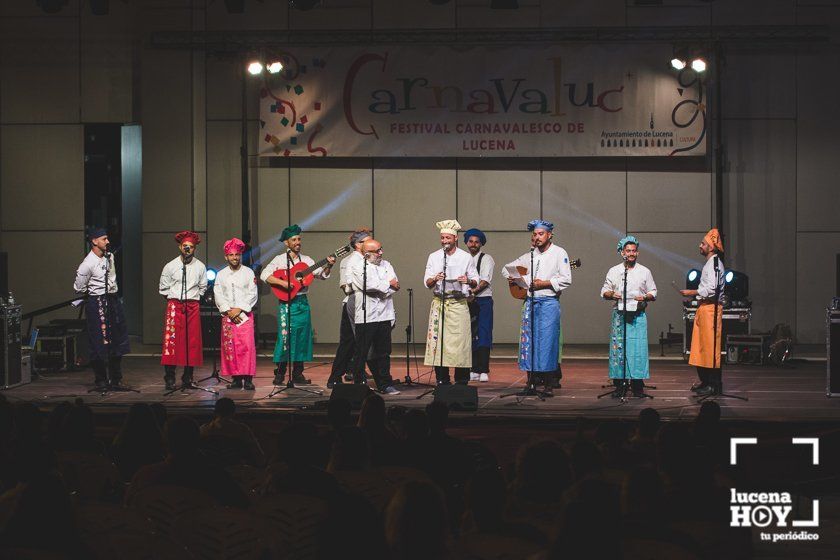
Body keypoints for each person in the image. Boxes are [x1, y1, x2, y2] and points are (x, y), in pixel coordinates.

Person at [502, 220, 572, 396]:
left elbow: (566, 279)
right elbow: (506, 269)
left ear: (549, 235)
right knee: (529, 342)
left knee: (547, 343)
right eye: (535, 234)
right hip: (530, 303)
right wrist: (516, 278)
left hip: (548, 302)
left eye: (541, 234)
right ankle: (531, 382)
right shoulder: (530, 255)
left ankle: (548, 384)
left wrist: (545, 283)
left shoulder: (559, 253)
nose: (537, 237)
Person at [260, 224, 334, 385]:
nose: (298, 242)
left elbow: (321, 275)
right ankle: (280, 372)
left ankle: (298, 373)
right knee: (285, 337)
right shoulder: (279, 260)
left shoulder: (307, 260)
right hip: (286, 303)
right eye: (294, 239)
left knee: (302, 337)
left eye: (299, 239)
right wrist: (283, 283)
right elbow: (264, 274)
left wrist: (329, 265)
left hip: (302, 302)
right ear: (287, 243)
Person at [73, 227, 131, 390]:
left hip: (112, 299)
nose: (108, 241)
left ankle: (116, 378)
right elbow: (78, 287)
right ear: (94, 241)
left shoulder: (109, 257)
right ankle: (101, 379)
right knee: (99, 340)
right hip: (97, 301)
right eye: (104, 239)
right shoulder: (87, 263)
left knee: (117, 338)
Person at [423, 220, 479, 385]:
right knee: (439, 342)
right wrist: (435, 278)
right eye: (442, 238)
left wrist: (467, 280)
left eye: (448, 238)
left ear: (455, 239)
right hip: (440, 302)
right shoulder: (434, 256)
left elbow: (476, 279)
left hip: (458, 303)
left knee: (460, 342)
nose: (444, 241)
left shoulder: (465, 256)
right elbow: (427, 281)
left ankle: (461, 381)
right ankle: (442, 379)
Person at [600, 235, 657, 397]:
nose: (631, 253)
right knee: (619, 350)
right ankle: (620, 385)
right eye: (628, 251)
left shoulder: (645, 271)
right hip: (619, 315)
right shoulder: (615, 270)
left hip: (637, 316)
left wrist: (645, 297)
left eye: (634, 251)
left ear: (637, 253)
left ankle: (638, 385)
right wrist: (612, 294)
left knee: (637, 349)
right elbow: (604, 291)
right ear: (622, 252)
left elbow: (653, 291)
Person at [349, 238, 400, 394]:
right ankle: (359, 384)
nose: (381, 253)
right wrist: (386, 285)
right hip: (367, 315)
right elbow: (369, 286)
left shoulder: (387, 265)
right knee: (362, 351)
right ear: (366, 254)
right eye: (377, 251)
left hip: (384, 314)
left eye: (381, 249)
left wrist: (383, 286)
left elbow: (396, 285)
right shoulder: (358, 267)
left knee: (384, 352)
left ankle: (385, 383)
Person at [159, 231, 207, 390]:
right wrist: (173, 301)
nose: (188, 249)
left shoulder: (200, 266)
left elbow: (203, 287)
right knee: (172, 341)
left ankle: (188, 377)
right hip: (175, 305)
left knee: (191, 342)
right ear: (180, 247)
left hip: (192, 305)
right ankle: (170, 377)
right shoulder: (170, 266)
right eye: (185, 246)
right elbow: (163, 287)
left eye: (191, 247)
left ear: (194, 249)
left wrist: (194, 298)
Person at [681, 228, 726, 396]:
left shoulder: (715, 264)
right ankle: (705, 381)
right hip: (704, 308)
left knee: (710, 348)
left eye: (703, 243)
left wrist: (691, 292)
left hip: (711, 309)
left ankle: (714, 384)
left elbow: (712, 289)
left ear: (712, 247)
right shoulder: (709, 264)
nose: (700, 246)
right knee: (701, 347)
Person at [328, 228, 373, 388]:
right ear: (357, 244)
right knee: (350, 342)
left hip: (367, 303)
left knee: (355, 342)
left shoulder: (371, 258)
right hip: (353, 303)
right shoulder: (348, 261)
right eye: (366, 241)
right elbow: (346, 287)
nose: (370, 243)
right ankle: (338, 376)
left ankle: (350, 373)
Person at [213, 238, 258, 390]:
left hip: (244, 315)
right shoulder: (221, 274)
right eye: (231, 255)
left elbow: (252, 293)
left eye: (237, 255)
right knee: (230, 348)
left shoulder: (248, 272)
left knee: (246, 347)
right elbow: (218, 294)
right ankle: (236, 378)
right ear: (226, 257)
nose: (234, 258)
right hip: (228, 315)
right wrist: (228, 310)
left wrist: (239, 309)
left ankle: (248, 378)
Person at [464, 228, 494, 383]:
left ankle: (483, 370)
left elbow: (485, 280)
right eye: (471, 241)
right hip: (466, 301)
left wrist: (472, 292)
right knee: (469, 334)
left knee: (483, 333)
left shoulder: (486, 258)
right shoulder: (463, 258)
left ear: (481, 243)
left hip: (483, 301)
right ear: (466, 242)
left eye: (476, 242)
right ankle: (473, 368)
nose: (473, 244)